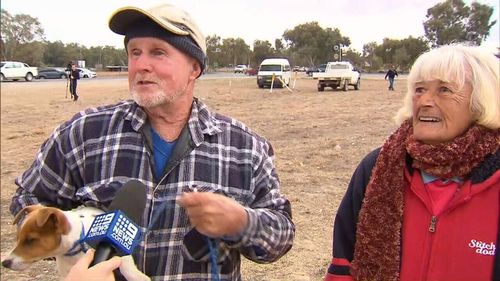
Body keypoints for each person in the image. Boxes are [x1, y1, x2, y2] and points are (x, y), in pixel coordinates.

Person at [9, 3, 294, 281]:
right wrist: (66, 244)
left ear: (194, 68)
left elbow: (281, 236)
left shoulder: (243, 147)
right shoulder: (82, 134)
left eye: (158, 52)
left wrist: (241, 222)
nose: (141, 65)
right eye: (135, 53)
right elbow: (28, 199)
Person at [323, 44, 499, 281]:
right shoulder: (377, 167)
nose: (425, 100)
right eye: (419, 89)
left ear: (480, 102)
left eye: (444, 90)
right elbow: (344, 265)